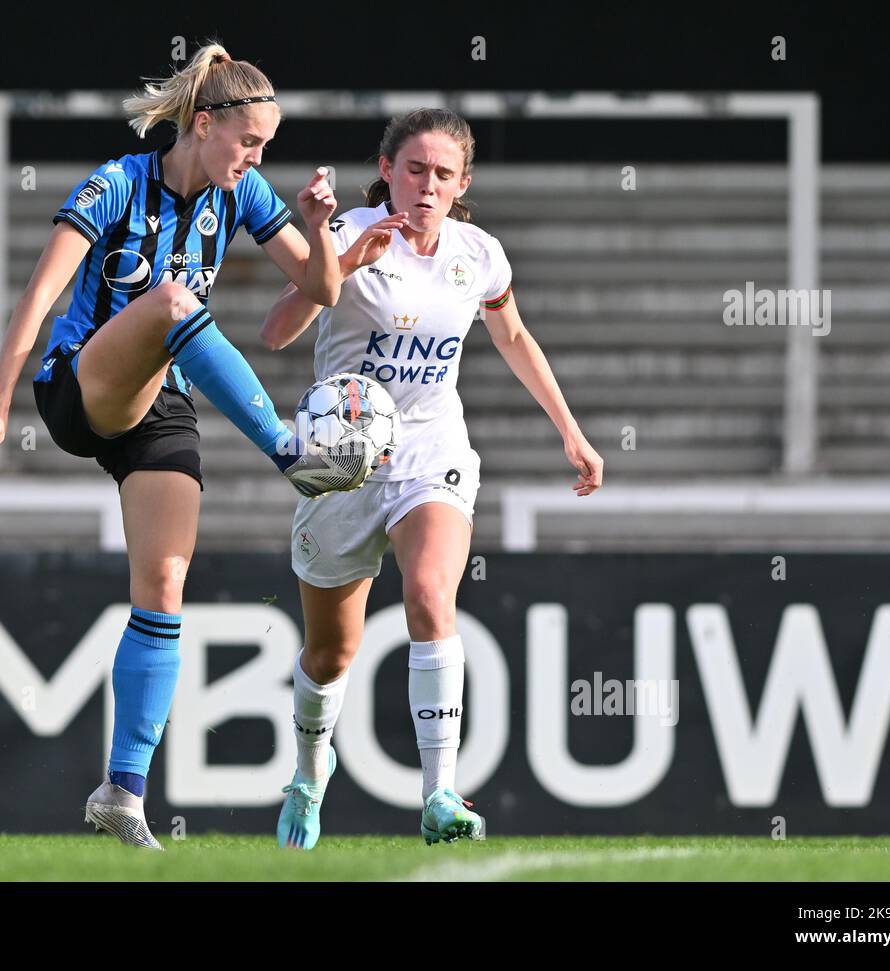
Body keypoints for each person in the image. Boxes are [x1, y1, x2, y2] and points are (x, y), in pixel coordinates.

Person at [0, 41, 344, 848]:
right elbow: (39, 295)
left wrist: (318, 228)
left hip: (161, 399)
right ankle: (285, 449)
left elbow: (322, 290)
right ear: (204, 125)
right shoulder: (117, 182)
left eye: (265, 146)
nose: (256, 157)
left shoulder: (245, 193)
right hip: (82, 385)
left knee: (165, 583)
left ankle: (121, 792)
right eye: (248, 142)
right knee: (169, 301)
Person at [260, 108, 605, 849]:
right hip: (340, 456)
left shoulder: (477, 255)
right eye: (413, 168)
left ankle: (439, 792)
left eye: (443, 173)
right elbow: (276, 329)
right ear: (387, 170)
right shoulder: (352, 231)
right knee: (330, 654)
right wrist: (337, 261)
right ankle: (309, 779)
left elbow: (511, 333)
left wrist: (570, 430)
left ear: (462, 184)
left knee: (427, 593)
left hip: (430, 445)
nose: (427, 184)